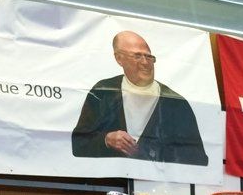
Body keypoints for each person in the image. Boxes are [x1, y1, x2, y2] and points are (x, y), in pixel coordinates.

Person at [72, 30, 208, 165]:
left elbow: (198, 158)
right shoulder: (103, 92)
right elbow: (78, 144)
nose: (145, 62)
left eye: (149, 57)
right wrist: (106, 140)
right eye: (137, 56)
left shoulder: (175, 103)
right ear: (119, 59)